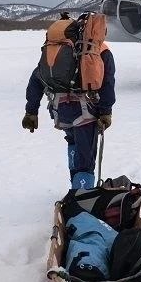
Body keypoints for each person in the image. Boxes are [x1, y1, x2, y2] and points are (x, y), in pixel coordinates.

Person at [22, 15, 116, 191]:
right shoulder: (99, 50)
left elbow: (36, 79)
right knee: (86, 158)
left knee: (73, 144)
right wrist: (105, 112)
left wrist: (31, 111)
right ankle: (81, 198)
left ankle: (75, 188)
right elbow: (107, 83)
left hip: (60, 110)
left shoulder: (55, 50)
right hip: (85, 112)